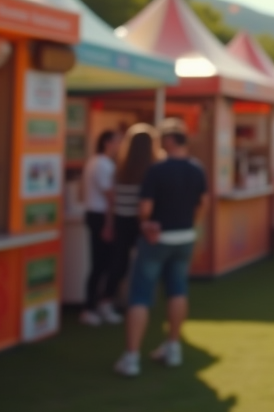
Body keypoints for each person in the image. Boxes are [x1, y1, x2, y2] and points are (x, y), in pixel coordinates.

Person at [114, 118, 207, 377]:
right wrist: (192, 226)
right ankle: (173, 346)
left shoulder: (156, 171)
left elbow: (145, 210)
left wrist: (146, 223)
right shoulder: (197, 169)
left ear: (167, 141)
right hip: (184, 238)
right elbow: (203, 203)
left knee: (140, 296)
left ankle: (131, 357)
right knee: (178, 291)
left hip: (158, 240)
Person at [103, 123, 159, 326]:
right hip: (140, 221)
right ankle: (138, 302)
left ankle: (110, 301)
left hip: (121, 219)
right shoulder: (153, 168)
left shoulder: (120, 166)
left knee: (119, 262)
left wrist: (109, 224)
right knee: (142, 264)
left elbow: (112, 199)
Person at [81, 129, 121, 326]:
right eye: (116, 141)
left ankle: (101, 304)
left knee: (105, 264)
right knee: (100, 264)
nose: (120, 145)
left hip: (99, 216)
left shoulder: (100, 163)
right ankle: (91, 307)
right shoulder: (100, 164)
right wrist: (109, 224)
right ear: (107, 142)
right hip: (100, 217)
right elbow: (110, 197)